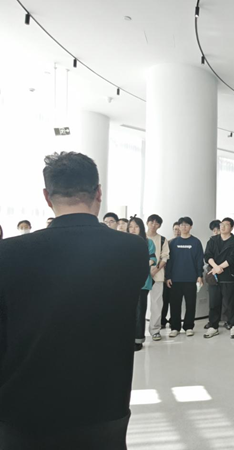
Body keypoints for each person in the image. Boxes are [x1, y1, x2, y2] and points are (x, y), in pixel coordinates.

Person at [0, 152, 148, 448]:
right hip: (103, 405)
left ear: (47, 196)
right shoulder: (132, 249)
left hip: (23, 410)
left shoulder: (9, 253)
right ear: (98, 192)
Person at [165, 217, 204, 337]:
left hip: (191, 279)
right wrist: (168, 276)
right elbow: (169, 261)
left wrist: (199, 275)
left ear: (191, 227)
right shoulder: (173, 243)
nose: (184, 227)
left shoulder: (196, 242)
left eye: (186, 225)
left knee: (190, 304)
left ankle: (188, 326)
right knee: (175, 304)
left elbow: (199, 260)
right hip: (175, 279)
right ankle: (175, 327)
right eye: (181, 225)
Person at [204, 217, 234, 339]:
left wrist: (219, 267)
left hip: (228, 275)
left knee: (230, 303)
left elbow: (233, 258)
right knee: (214, 302)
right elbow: (207, 255)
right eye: (221, 224)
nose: (223, 227)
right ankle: (213, 326)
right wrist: (215, 267)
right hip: (214, 275)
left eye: (226, 225)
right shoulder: (213, 240)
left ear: (231, 227)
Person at [128, 217, 157, 351]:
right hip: (126, 281)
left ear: (141, 228)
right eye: (130, 227)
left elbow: (152, 258)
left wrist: (141, 263)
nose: (133, 229)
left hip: (141, 281)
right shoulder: (124, 241)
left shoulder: (147, 242)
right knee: (128, 311)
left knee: (139, 311)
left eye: (136, 226)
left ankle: (138, 339)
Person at [146, 214, 170, 341]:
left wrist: (156, 270)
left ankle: (155, 330)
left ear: (159, 226)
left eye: (156, 223)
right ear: (147, 223)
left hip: (158, 275)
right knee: (139, 304)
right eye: (151, 222)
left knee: (156, 304)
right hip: (141, 275)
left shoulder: (162, 240)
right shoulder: (140, 238)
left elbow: (165, 257)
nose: (153, 225)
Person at [160, 222, 182, 328]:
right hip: (167, 276)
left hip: (179, 277)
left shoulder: (186, 244)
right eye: (175, 229)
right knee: (164, 300)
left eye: (179, 229)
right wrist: (165, 276)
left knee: (175, 302)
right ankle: (162, 321)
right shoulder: (168, 243)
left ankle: (174, 321)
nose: (177, 231)